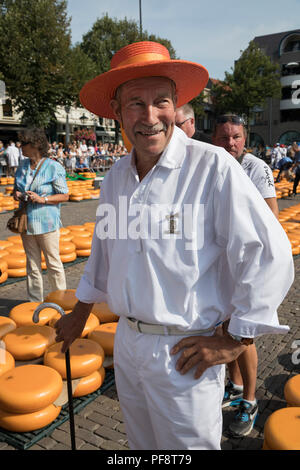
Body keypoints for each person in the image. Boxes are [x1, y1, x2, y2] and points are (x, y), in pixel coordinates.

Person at [54, 41, 294, 450]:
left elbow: (270, 251)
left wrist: (237, 338)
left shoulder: (212, 167)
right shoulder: (115, 177)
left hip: (186, 351)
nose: (150, 117)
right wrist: (80, 312)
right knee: (142, 446)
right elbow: (104, 251)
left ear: (176, 105)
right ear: (117, 112)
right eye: (135, 104)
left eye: (160, 101)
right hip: (128, 343)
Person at [212, 114, 279, 437]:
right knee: (225, 329)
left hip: (246, 267)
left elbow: (272, 221)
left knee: (244, 335)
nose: (230, 143)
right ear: (215, 140)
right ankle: (235, 386)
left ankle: (249, 401)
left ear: (245, 138)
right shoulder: (212, 164)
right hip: (219, 266)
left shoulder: (256, 169)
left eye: (236, 137)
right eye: (224, 137)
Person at [13, 128, 69, 302]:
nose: (20, 146)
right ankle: (34, 302)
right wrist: (17, 194)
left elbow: (65, 195)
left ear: (36, 145)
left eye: (24, 143)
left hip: (47, 222)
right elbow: (16, 188)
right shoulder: (22, 166)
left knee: (53, 263)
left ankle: (60, 300)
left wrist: (42, 199)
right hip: (26, 223)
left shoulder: (53, 167)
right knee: (32, 265)